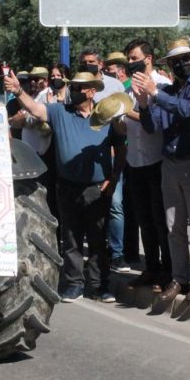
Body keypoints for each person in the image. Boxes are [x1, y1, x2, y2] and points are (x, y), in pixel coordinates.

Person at [4, 70, 126, 303]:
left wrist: (113, 178)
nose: (75, 91)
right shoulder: (61, 112)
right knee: (71, 239)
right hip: (67, 187)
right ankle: (73, 285)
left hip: (97, 188)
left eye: (81, 88)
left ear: (92, 91)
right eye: (74, 87)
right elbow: (35, 109)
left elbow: (121, 147)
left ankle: (100, 286)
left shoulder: (106, 115)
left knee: (99, 240)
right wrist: (18, 91)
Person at [133, 39, 190, 301]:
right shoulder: (167, 89)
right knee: (173, 226)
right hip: (170, 163)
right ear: (168, 64)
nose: (182, 64)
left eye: (186, 58)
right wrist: (143, 103)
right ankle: (180, 277)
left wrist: (155, 94)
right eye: (176, 61)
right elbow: (152, 126)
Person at [121, 38, 173, 289]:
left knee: (160, 220)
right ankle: (151, 268)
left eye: (134, 58)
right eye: (129, 59)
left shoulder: (162, 85)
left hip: (157, 161)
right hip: (135, 161)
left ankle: (168, 270)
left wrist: (131, 110)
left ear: (148, 59)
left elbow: (156, 124)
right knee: (144, 219)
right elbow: (126, 126)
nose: (130, 63)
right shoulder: (128, 89)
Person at [79, 47, 130, 271]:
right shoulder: (79, 84)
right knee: (91, 205)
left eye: (91, 62)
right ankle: (94, 251)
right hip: (88, 153)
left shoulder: (115, 86)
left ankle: (117, 254)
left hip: (112, 150)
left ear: (100, 64)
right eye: (84, 62)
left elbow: (123, 115)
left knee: (116, 205)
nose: (88, 65)